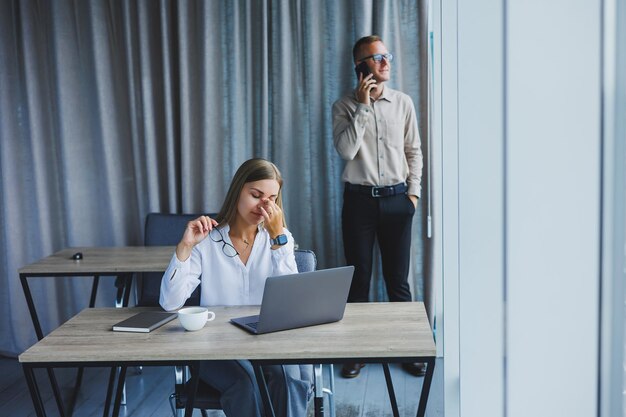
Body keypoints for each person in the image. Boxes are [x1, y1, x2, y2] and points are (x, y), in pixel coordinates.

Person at [160, 158, 312, 417]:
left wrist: (278, 239)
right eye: (256, 195)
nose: (264, 205)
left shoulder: (279, 238)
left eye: (271, 199)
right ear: (238, 190)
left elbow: (293, 304)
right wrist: (185, 247)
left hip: (267, 342)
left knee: (287, 380)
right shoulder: (207, 240)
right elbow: (170, 303)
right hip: (216, 346)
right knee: (246, 384)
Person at [332, 35, 425, 378]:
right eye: (376, 57)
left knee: (398, 282)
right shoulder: (343, 106)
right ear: (360, 68)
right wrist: (362, 106)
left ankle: (408, 350)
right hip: (359, 204)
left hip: (398, 201)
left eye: (387, 55)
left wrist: (412, 196)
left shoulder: (403, 102)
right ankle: (356, 351)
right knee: (358, 281)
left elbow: (413, 151)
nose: (386, 61)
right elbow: (346, 151)